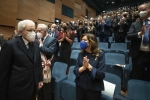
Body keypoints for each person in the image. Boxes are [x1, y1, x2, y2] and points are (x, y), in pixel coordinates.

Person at [0, 19, 43, 100]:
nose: (33, 33)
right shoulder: (10, 45)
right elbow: (3, 72)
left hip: (32, 86)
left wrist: (39, 79)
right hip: (17, 88)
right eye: (30, 30)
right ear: (20, 32)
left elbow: (37, 63)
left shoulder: (35, 44)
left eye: (34, 30)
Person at [73, 33, 105, 100]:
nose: (82, 42)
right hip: (80, 87)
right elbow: (75, 70)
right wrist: (83, 67)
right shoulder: (81, 54)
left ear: (91, 42)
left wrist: (89, 67)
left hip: (93, 88)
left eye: (84, 40)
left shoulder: (100, 54)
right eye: (81, 40)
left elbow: (101, 74)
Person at [127, 3, 150, 81]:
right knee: (137, 78)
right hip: (138, 54)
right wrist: (140, 33)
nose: (140, 12)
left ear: (149, 10)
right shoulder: (135, 24)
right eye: (139, 11)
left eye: (143, 10)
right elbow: (129, 36)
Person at [36, 24, 57, 100]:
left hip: (47, 66)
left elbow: (50, 51)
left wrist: (40, 47)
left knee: (46, 88)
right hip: (38, 65)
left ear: (45, 31)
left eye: (39, 31)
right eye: (37, 30)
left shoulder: (51, 39)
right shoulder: (37, 39)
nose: (37, 32)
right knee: (39, 86)